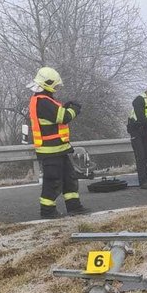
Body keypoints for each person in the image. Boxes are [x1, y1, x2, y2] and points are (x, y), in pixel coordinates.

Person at [28, 66, 83, 219]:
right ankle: (47, 211)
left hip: (59, 149)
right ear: (48, 83)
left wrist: (66, 107)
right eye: (55, 86)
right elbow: (63, 117)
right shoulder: (42, 101)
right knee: (52, 181)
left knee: (69, 179)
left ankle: (74, 207)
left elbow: (56, 116)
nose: (56, 89)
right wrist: (75, 109)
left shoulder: (45, 100)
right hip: (50, 151)